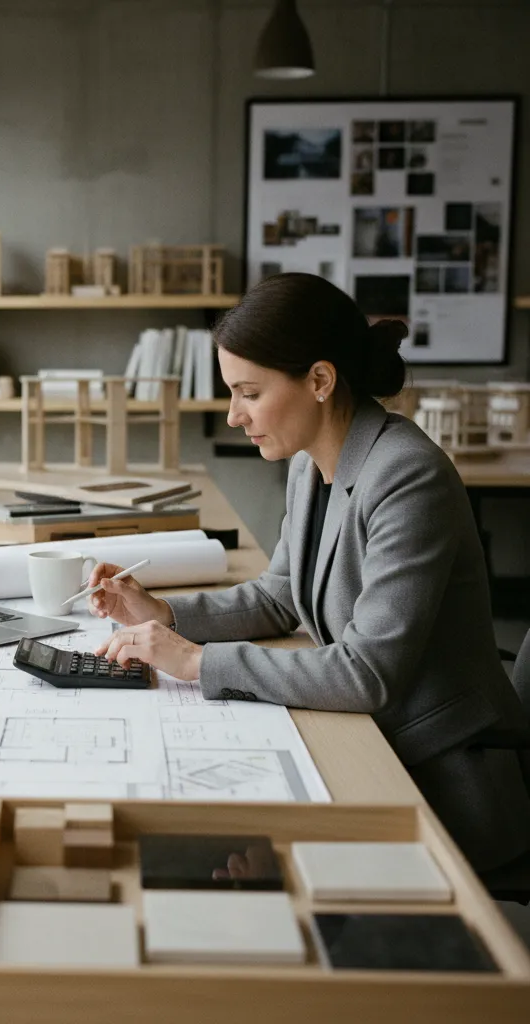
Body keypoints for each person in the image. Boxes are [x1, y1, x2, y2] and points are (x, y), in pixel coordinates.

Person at [88, 272, 530, 873]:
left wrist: (194, 662)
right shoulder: (309, 463)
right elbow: (280, 597)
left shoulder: (407, 476)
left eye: (248, 392)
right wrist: (164, 614)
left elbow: (366, 673)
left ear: (320, 380)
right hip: (372, 742)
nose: (233, 416)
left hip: (438, 776)